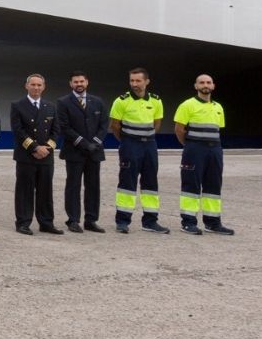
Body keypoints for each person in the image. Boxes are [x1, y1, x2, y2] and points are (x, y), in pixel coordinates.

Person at [109, 68, 168, 234]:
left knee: (150, 183)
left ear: (147, 81)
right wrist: (127, 141)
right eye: (132, 81)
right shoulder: (121, 101)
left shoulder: (156, 101)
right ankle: (122, 221)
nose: (134, 84)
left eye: (138, 81)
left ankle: (150, 221)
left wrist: (146, 138)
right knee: (127, 182)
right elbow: (114, 125)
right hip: (130, 145)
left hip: (149, 145)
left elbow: (157, 123)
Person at [174, 74, 234, 236]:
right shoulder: (187, 105)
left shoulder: (218, 107)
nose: (205, 85)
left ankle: (213, 223)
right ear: (196, 86)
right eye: (202, 82)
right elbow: (179, 129)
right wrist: (190, 146)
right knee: (191, 185)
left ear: (213, 86)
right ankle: (188, 222)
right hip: (194, 149)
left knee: (213, 185)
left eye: (208, 82)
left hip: (215, 149)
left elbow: (218, 129)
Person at [11, 74, 63, 235]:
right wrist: (34, 148)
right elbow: (18, 130)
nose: (36, 88)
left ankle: (46, 222)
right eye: (33, 85)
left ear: (44, 87)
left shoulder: (50, 106)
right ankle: (23, 222)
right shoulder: (18, 105)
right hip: (26, 156)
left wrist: (47, 148)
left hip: (46, 156)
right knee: (25, 190)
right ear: (26, 86)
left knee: (45, 190)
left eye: (39, 85)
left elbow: (56, 131)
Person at [56, 71, 107, 233]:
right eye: (76, 82)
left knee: (93, 186)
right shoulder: (63, 102)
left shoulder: (97, 102)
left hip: (95, 151)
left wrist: (96, 142)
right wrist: (84, 143)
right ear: (71, 84)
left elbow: (104, 124)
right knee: (73, 186)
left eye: (82, 81)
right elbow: (64, 127)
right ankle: (73, 220)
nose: (79, 84)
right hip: (74, 151)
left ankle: (91, 220)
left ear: (87, 82)